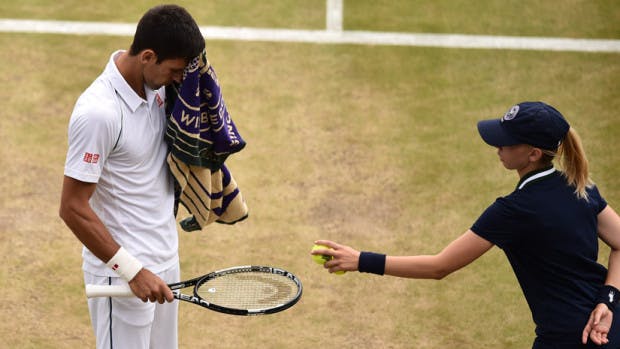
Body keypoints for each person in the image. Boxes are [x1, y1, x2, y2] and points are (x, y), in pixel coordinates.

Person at [312, 102, 620, 348]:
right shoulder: (580, 186)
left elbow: (439, 266)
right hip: (611, 323)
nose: (497, 148)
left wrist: (361, 260)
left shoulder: (512, 211)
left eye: (506, 143)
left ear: (533, 154)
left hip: (569, 338)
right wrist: (608, 298)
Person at [59, 5, 205, 348]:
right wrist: (131, 270)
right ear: (148, 56)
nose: (179, 79)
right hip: (122, 276)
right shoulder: (98, 113)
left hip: (166, 260)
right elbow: (72, 207)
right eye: (174, 70)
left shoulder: (160, 87)